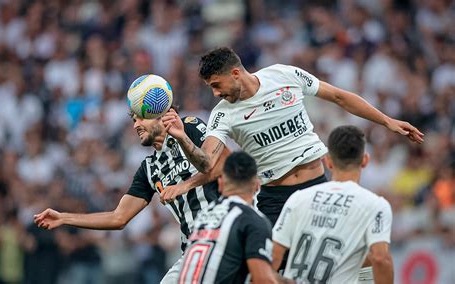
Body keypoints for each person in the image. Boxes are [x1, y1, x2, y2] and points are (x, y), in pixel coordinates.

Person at [162, 46, 423, 226]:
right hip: (275, 200)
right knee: (272, 271)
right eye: (210, 88)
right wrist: (183, 138)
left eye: (216, 85)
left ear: (235, 73)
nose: (215, 94)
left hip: (317, 185)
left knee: (344, 254)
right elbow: (208, 161)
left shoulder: (284, 75)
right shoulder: (222, 114)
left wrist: (387, 121)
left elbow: (339, 97)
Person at [34, 107, 229, 284]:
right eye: (134, 120)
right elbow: (118, 217)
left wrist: (184, 185)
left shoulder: (188, 126)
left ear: (162, 115)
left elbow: (225, 164)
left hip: (225, 232)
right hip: (193, 248)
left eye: (141, 118)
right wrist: (64, 217)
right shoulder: (149, 169)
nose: (136, 125)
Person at [272, 125, 394, 284]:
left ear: (328, 161)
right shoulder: (375, 205)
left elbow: (273, 256)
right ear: (365, 160)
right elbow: (380, 259)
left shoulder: (299, 198)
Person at [178, 151, 280, 284]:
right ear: (256, 185)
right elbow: (262, 280)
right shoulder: (252, 220)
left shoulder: (204, 215)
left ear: (220, 183)